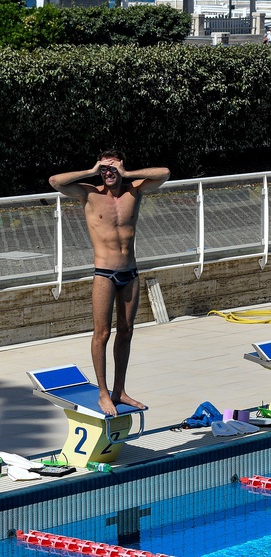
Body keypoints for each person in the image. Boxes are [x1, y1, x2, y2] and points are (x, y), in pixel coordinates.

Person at [48, 150, 170, 416]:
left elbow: (164, 173)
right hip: (104, 274)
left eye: (113, 168)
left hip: (131, 273)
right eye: (105, 169)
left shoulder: (134, 191)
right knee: (101, 333)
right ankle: (103, 394)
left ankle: (119, 390)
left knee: (126, 332)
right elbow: (55, 181)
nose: (109, 173)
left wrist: (126, 173)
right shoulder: (90, 193)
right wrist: (94, 169)